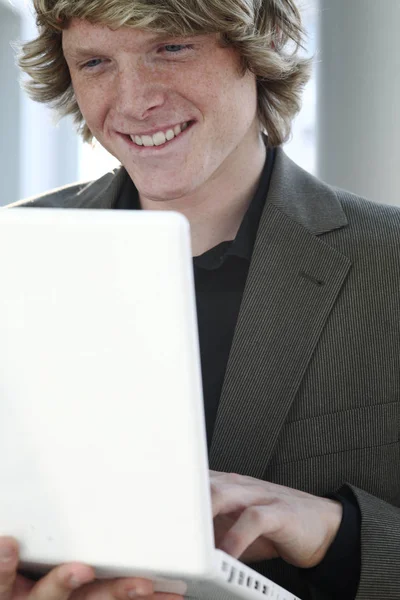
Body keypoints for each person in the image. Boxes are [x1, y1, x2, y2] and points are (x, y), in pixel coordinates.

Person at [3, 0, 400, 598]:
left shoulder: (387, 265)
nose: (135, 101)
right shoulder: (10, 261)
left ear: (254, 49)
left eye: (171, 47)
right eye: (95, 62)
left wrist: (336, 534)